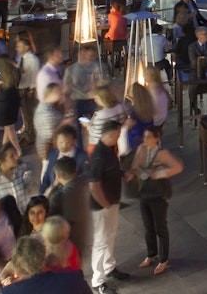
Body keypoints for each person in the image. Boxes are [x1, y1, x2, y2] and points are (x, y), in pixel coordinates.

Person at [126, 125, 183, 276]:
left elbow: (178, 167)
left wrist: (161, 173)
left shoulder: (162, 154)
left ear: (157, 139)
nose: (145, 140)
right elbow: (135, 167)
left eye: (149, 137)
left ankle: (163, 259)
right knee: (148, 226)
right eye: (144, 137)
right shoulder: (141, 149)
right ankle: (151, 254)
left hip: (158, 195)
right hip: (144, 193)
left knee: (160, 227)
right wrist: (136, 173)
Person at [89, 120, 130, 293]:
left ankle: (109, 267)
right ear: (111, 135)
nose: (119, 138)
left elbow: (111, 170)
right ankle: (97, 281)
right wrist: (106, 204)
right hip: (101, 207)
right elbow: (94, 186)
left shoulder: (107, 150)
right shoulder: (99, 156)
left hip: (111, 202)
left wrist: (122, 173)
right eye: (118, 135)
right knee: (100, 241)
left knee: (110, 235)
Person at [0, 234, 91, 293]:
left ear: (16, 264)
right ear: (43, 258)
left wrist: (4, 272)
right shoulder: (73, 277)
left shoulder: (8, 292)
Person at [47, 156, 91, 256]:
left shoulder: (58, 196)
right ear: (75, 170)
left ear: (57, 175)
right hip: (82, 232)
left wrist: (53, 187)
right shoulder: (83, 181)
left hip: (66, 238)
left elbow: (49, 216)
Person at [40, 124, 88, 194]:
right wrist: (41, 195)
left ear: (74, 141)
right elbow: (47, 176)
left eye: (67, 142)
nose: (63, 146)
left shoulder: (82, 157)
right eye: (60, 142)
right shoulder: (53, 153)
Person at [0, 55, 22, 156]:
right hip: (14, 100)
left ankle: (18, 150)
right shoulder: (15, 72)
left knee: (10, 129)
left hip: (4, 103)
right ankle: (4, 147)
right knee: (8, 127)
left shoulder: (1, 76)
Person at [14, 33, 40, 148]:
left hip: (27, 89)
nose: (17, 48)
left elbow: (35, 76)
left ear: (26, 47)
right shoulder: (21, 58)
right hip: (20, 87)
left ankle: (30, 137)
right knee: (24, 113)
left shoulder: (33, 60)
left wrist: (31, 89)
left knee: (28, 114)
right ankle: (27, 133)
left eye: (20, 46)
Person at [63, 46, 102, 120]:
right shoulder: (70, 69)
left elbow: (99, 81)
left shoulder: (94, 66)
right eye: (82, 53)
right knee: (78, 122)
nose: (84, 56)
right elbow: (66, 87)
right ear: (78, 54)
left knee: (91, 121)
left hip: (91, 100)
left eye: (85, 54)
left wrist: (95, 85)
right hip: (77, 101)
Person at [86, 85, 127, 152]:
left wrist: (88, 126)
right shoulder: (120, 107)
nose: (95, 100)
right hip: (115, 144)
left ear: (103, 98)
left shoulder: (100, 115)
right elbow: (122, 123)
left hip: (99, 147)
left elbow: (96, 134)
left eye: (97, 98)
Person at [34, 83, 64, 165]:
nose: (61, 94)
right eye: (59, 92)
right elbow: (51, 135)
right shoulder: (45, 113)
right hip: (49, 150)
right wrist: (65, 122)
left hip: (49, 149)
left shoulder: (47, 106)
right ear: (52, 94)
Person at [104, 2, 127, 75]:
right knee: (109, 37)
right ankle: (118, 58)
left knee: (104, 37)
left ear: (113, 8)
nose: (110, 9)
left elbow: (110, 26)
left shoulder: (111, 15)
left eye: (111, 7)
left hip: (114, 37)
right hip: (123, 38)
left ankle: (107, 57)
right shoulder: (124, 16)